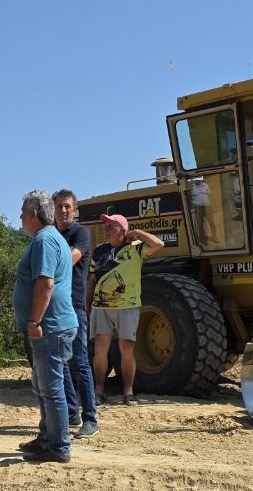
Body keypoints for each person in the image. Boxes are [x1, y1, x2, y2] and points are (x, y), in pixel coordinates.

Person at [14, 191, 78, 464]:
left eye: (23, 211)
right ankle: (46, 439)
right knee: (43, 386)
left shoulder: (44, 240)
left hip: (49, 327)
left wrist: (34, 321)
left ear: (33, 214)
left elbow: (45, 283)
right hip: (51, 325)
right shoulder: (50, 237)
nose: (20, 216)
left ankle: (59, 447)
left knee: (51, 388)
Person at [88, 213, 165, 406]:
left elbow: (159, 244)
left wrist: (138, 232)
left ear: (123, 230)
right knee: (100, 349)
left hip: (127, 305)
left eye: (111, 226)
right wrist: (87, 306)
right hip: (101, 306)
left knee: (127, 349)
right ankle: (99, 391)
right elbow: (92, 280)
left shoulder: (136, 248)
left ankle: (128, 393)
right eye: (105, 225)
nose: (106, 229)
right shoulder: (99, 251)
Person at [52, 190, 99, 440]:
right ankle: (72, 412)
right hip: (54, 306)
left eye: (67, 206)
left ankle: (90, 418)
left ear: (74, 209)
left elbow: (67, 261)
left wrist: (46, 259)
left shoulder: (81, 233)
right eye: (59, 206)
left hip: (75, 305)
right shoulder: (51, 233)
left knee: (80, 362)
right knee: (60, 362)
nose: (63, 211)